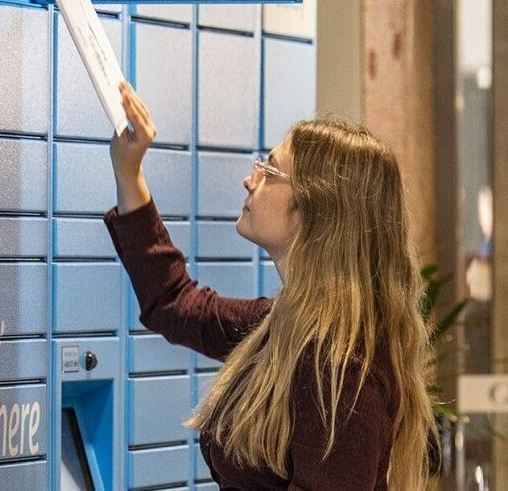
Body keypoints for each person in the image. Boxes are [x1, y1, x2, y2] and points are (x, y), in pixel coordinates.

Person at [105, 82, 431, 490]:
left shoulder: (342, 368)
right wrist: (128, 172)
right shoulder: (286, 328)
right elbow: (175, 303)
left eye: (270, 170)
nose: (249, 179)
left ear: (316, 209)